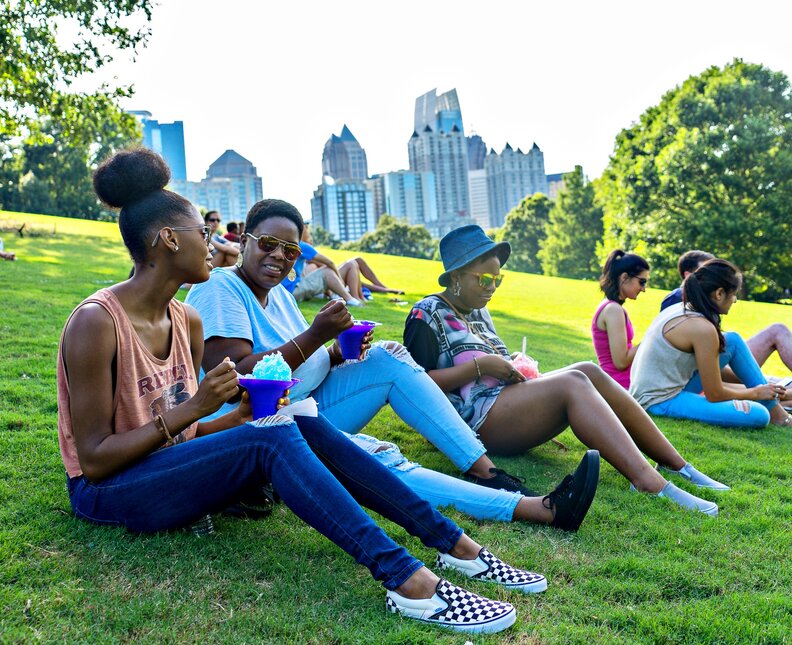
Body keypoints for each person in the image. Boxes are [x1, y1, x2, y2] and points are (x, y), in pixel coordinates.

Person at [56, 148, 548, 635]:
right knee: (272, 437)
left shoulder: (187, 320)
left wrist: (233, 418)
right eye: (202, 234)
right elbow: (94, 463)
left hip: (168, 467)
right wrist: (197, 408)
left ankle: (458, 547)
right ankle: (408, 581)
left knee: (294, 418)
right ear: (167, 239)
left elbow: (187, 438)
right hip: (107, 492)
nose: (212, 244)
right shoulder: (97, 322)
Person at [186, 199, 600, 531]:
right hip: (254, 427)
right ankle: (536, 509)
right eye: (268, 243)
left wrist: (339, 351)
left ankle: (485, 469)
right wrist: (316, 334)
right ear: (244, 241)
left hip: (304, 405)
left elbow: (299, 359)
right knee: (378, 457)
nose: (279, 255)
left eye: (290, 250)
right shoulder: (222, 288)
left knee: (388, 354)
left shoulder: (277, 295)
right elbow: (238, 381)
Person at [404, 225, 729, 517]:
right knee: (573, 381)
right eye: (484, 280)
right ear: (456, 276)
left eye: (497, 279)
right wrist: (482, 366)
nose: (492, 287)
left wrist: (510, 362)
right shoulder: (427, 313)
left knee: (588, 370)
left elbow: (488, 356)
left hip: (507, 402)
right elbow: (414, 385)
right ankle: (648, 482)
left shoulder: (478, 309)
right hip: (478, 423)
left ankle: (678, 466)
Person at [631, 259, 791, 428]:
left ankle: (779, 415)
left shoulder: (683, 308)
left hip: (665, 389)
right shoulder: (703, 329)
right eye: (734, 294)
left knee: (733, 340)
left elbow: (712, 371)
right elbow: (715, 394)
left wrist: (762, 387)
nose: (735, 300)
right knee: (759, 415)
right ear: (719, 293)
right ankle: (778, 415)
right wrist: (755, 393)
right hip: (658, 401)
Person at [661, 250, 792, 374]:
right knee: (773, 332)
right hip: (706, 372)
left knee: (775, 332)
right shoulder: (679, 298)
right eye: (706, 270)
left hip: (718, 364)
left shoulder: (705, 302)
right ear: (688, 275)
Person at [591, 250, 649, 389]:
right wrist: (651, 340)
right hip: (620, 387)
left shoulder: (611, 307)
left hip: (621, 384)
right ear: (624, 277)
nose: (643, 289)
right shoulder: (613, 310)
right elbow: (621, 362)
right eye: (641, 282)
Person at [302, 224, 403, 301]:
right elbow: (328, 269)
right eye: (309, 238)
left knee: (357, 261)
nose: (311, 241)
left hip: (328, 280)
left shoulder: (309, 254)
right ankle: (361, 297)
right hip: (325, 284)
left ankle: (382, 287)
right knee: (351, 265)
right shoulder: (308, 256)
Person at [283, 226, 363, 306]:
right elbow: (329, 262)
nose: (308, 231)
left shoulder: (284, 244)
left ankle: (341, 296)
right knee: (327, 271)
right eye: (306, 229)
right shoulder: (300, 245)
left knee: (327, 270)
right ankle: (349, 299)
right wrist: (340, 280)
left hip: (285, 291)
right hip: (292, 291)